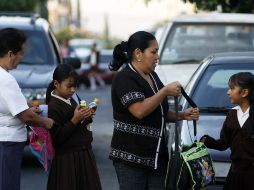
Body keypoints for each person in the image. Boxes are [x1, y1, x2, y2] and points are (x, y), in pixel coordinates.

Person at [108, 31, 199, 190]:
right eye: (154, 52)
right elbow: (140, 111)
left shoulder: (153, 76)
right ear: (138, 53)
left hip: (156, 158)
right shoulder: (124, 78)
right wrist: (164, 92)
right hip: (131, 160)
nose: (157, 57)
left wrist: (183, 115)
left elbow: (159, 112)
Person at [0, 28, 54, 190]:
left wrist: (30, 109)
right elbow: (24, 116)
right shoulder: (6, 79)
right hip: (8, 142)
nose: (21, 58)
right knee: (8, 184)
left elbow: (14, 107)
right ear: (10, 54)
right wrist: (46, 122)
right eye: (21, 53)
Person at [46, 63, 102, 190]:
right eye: (69, 86)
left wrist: (85, 119)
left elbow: (78, 125)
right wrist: (75, 119)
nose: (72, 90)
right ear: (56, 84)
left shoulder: (71, 98)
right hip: (67, 160)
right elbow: (58, 137)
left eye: (75, 86)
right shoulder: (53, 106)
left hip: (82, 155)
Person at [200, 72, 254, 190]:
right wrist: (207, 141)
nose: (228, 92)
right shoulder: (232, 114)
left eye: (232, 88)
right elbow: (224, 143)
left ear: (244, 92)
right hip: (235, 175)